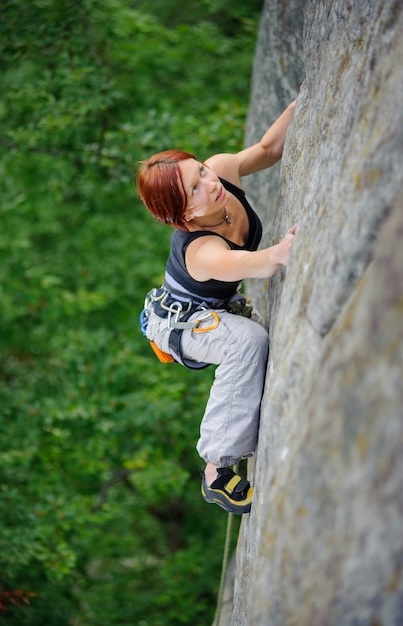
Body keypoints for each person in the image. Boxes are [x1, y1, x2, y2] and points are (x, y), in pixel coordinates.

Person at [137, 100, 297, 514]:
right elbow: (255, 263)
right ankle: (216, 470)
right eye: (194, 188)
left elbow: (267, 149)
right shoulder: (202, 249)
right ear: (184, 215)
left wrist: (301, 104)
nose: (209, 182)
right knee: (247, 342)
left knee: (252, 344)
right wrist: (283, 250)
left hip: (213, 304)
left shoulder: (220, 172)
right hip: (179, 322)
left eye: (200, 171)